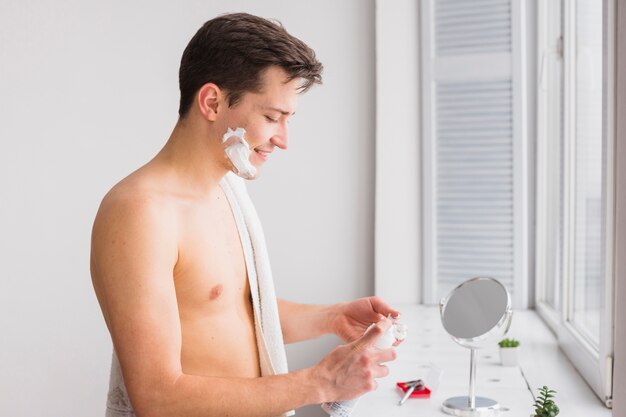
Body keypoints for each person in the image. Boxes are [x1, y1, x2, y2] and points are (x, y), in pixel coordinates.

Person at [90, 12, 400, 417]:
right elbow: (157, 396)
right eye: (272, 117)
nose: (283, 140)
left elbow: (230, 312)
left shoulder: (226, 189)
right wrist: (319, 381)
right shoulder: (140, 213)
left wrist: (331, 317)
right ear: (213, 102)